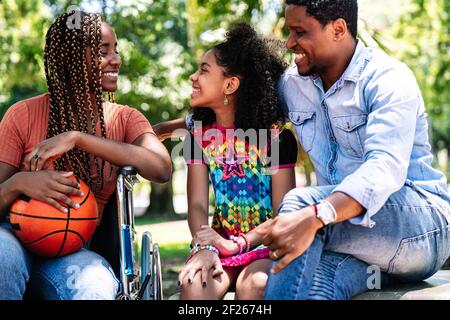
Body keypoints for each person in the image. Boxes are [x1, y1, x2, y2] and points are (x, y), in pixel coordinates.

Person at [256, 0, 450, 300]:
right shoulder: (293, 85)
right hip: (352, 241)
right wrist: (170, 128)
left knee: (300, 204)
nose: (290, 43)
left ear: (338, 29)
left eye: (299, 32)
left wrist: (320, 213)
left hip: (421, 233)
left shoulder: (387, 78)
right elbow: (242, 116)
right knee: (313, 291)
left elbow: (383, 168)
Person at [0, 11, 172, 300]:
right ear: (71, 59)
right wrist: (20, 183)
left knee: (95, 286)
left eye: (116, 50)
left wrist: (77, 139)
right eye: (104, 51)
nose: (116, 59)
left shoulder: (124, 119)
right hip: (14, 239)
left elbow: (161, 168)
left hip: (74, 251)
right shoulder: (22, 115)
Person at [176, 23, 298, 300]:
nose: (193, 77)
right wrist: (205, 245)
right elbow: (196, 204)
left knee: (254, 285)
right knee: (194, 284)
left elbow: (283, 213)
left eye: (204, 70)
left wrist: (242, 244)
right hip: (217, 242)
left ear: (230, 84)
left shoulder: (275, 139)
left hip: (264, 245)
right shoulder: (197, 137)